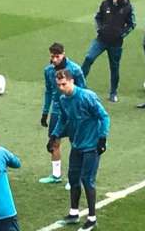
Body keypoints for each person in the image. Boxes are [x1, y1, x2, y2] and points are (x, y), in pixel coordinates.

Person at [48, 69, 110, 231]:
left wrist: (102, 138)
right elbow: (63, 118)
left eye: (64, 84)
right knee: (73, 178)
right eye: (58, 85)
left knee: (87, 180)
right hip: (76, 145)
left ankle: (92, 218)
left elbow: (104, 116)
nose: (61, 87)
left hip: (91, 146)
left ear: (71, 81)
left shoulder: (86, 97)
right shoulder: (63, 99)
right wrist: (54, 136)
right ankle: (74, 213)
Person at [40, 43, 86, 187]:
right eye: (52, 56)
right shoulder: (48, 71)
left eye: (57, 56)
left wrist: (82, 112)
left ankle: (75, 178)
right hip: (56, 111)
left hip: (72, 111)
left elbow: (83, 91)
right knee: (54, 142)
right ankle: (56, 175)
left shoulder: (75, 69)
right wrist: (45, 112)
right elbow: (48, 92)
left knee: (76, 144)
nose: (54, 59)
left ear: (63, 54)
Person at [81, 0, 136, 102]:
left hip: (116, 43)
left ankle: (113, 92)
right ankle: (79, 83)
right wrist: (99, 29)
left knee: (114, 67)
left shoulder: (127, 7)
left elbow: (132, 24)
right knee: (89, 58)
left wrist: (122, 34)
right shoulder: (105, 3)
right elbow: (97, 17)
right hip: (101, 40)